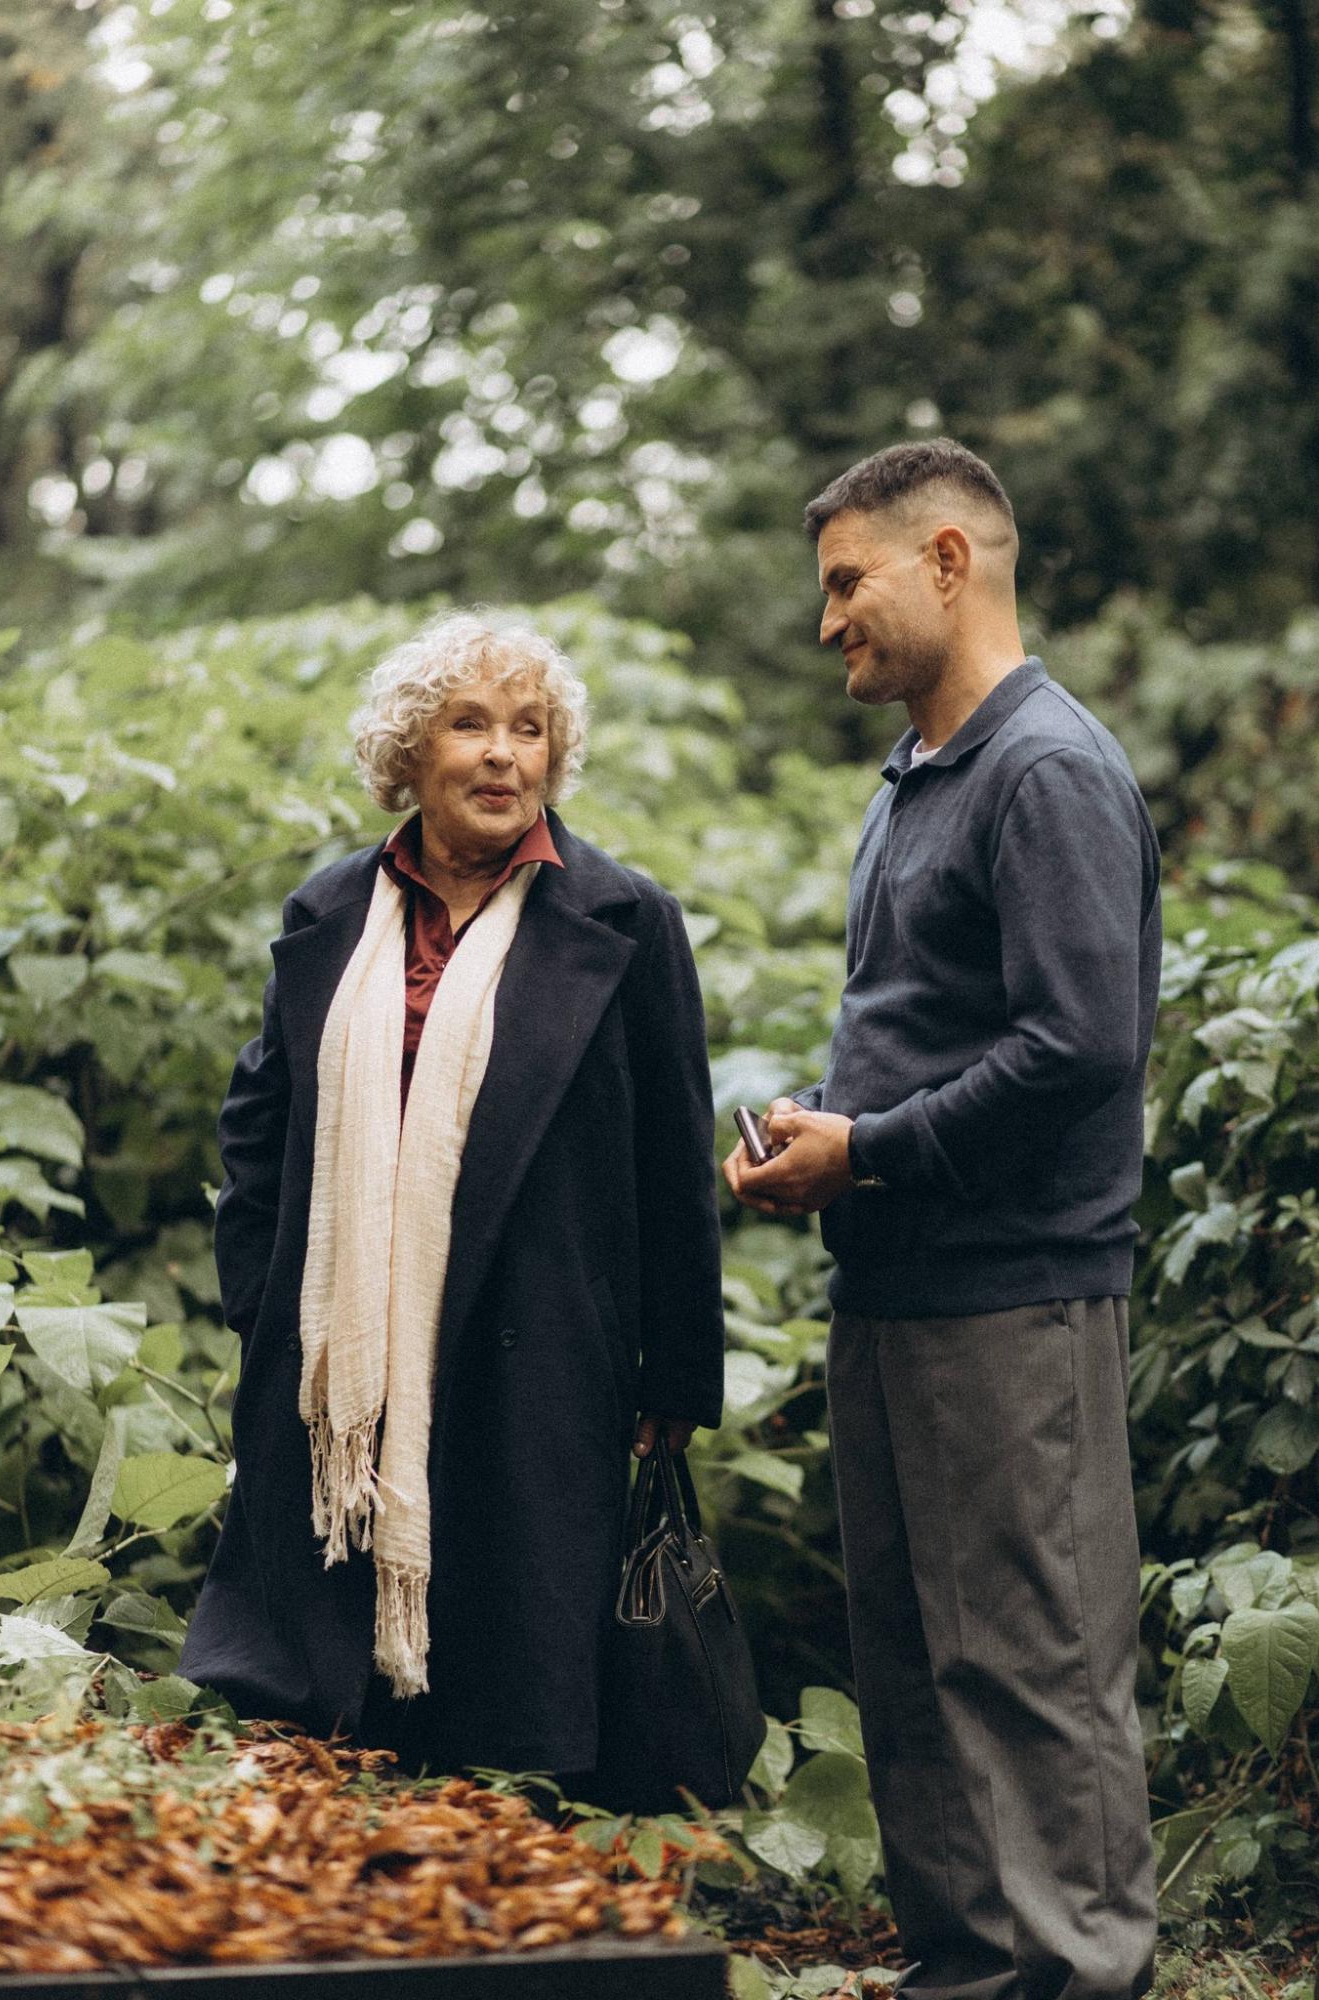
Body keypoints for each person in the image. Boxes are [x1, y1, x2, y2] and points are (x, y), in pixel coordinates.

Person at [725, 440, 1160, 2000]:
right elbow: (934, 1026)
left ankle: (1074, 1976)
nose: (829, 617)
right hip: (896, 1287)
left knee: (1034, 1669)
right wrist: (820, 1141)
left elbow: (1080, 1049)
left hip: (1011, 1296)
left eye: (848, 581)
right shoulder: (918, 773)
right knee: (914, 1665)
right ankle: (968, 1973)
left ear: (951, 560)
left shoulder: (1045, 768)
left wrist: (873, 1150)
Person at [181, 610, 725, 1783]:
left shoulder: (624, 921)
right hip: (342, 1362)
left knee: (510, 1672)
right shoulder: (331, 913)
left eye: (527, 729)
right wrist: (265, 1307)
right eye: (468, 724)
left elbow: (674, 1162)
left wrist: (676, 1371)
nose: (501, 754)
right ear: (408, 754)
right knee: (318, 1704)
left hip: (539, 1347)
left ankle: (502, 1858)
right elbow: (260, 1120)